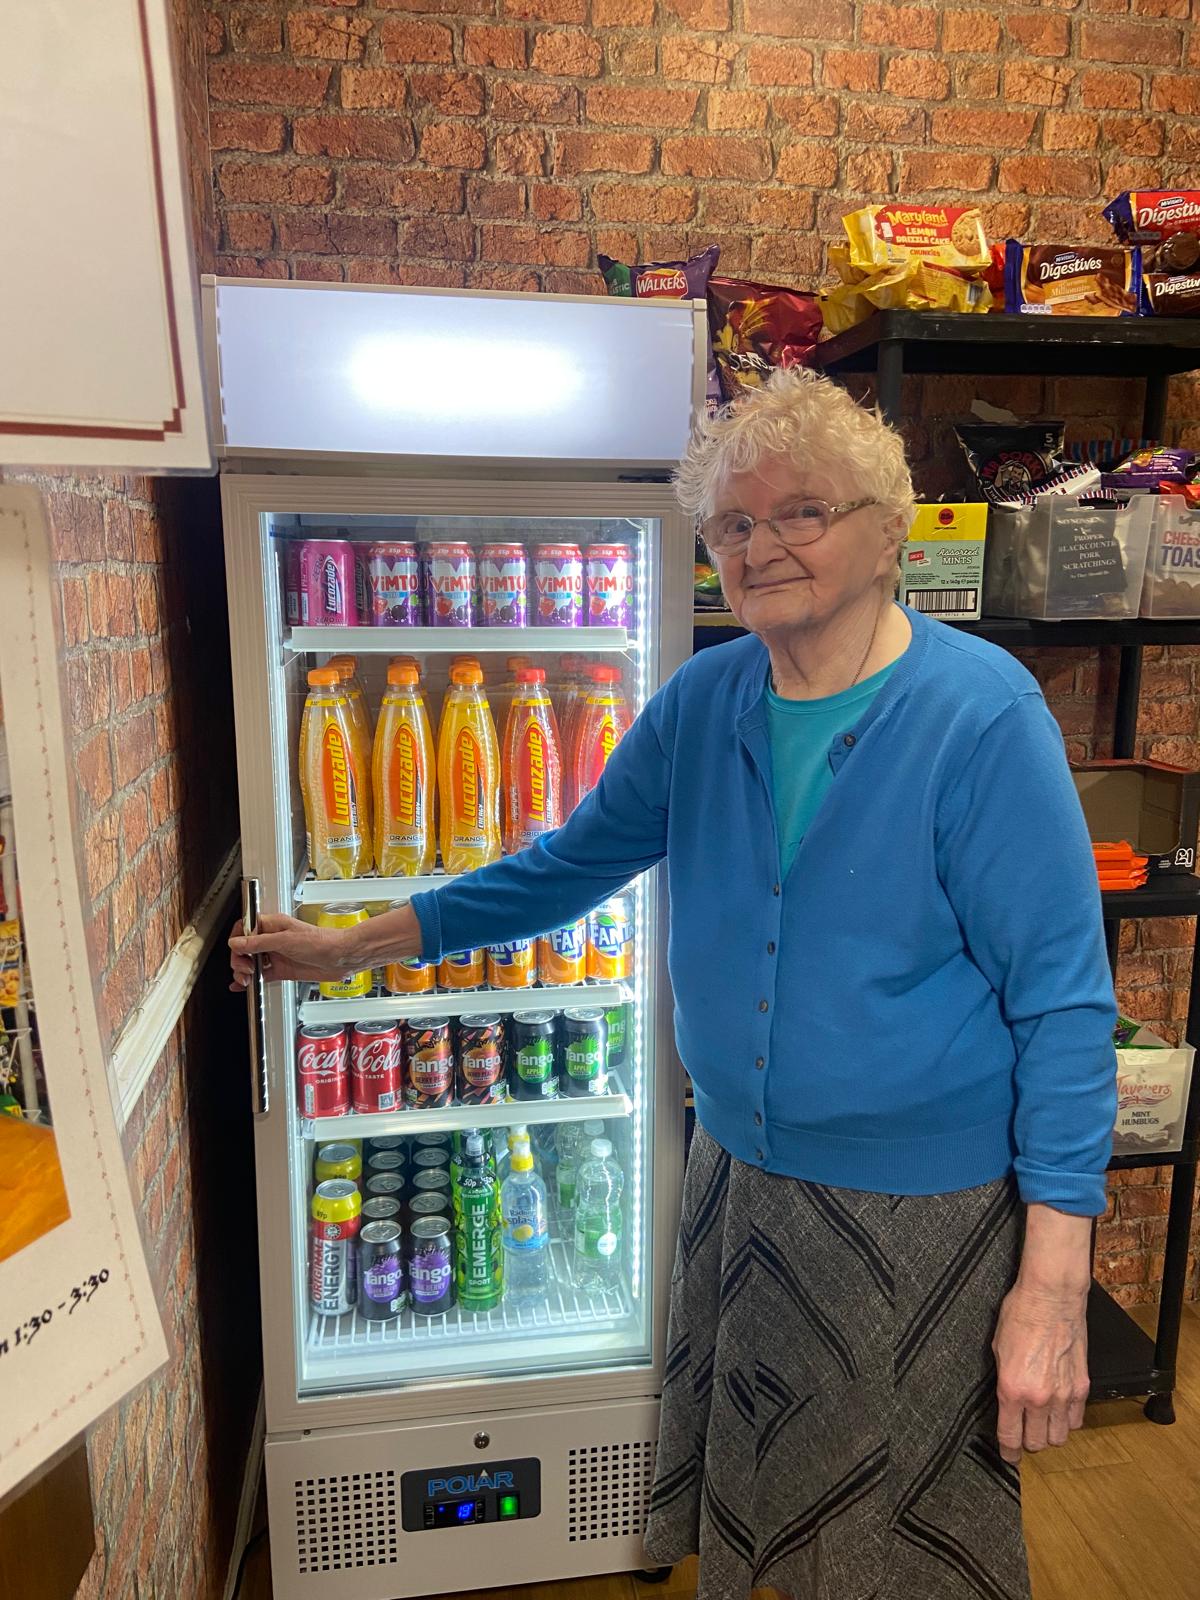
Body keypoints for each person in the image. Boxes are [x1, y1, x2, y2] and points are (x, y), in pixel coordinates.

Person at [230, 368, 1116, 1600]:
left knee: (896, 1546)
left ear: (886, 533)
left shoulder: (981, 718)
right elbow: (563, 868)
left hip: (918, 1214)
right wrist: (349, 946)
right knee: (769, 1510)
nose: (762, 545)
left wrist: (1053, 1287)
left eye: (802, 511)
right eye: (734, 523)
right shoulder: (707, 700)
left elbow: (1065, 1007)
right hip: (739, 1183)